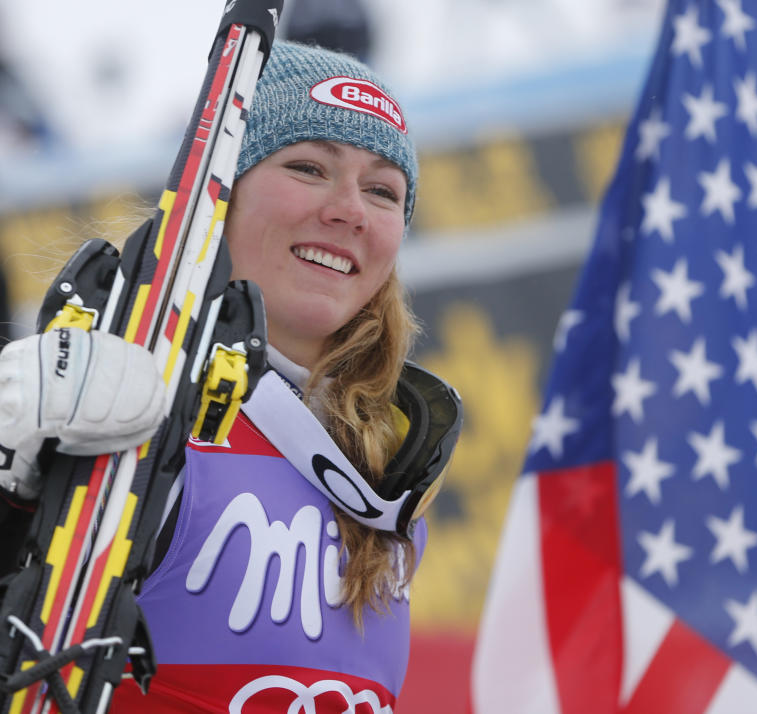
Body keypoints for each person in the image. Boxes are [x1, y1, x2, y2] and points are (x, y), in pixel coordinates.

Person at [0, 41, 460, 713]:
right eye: (308, 167)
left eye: (383, 191)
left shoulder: (383, 479)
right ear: (220, 194)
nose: (350, 209)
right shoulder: (116, 409)